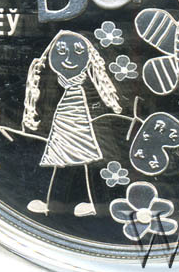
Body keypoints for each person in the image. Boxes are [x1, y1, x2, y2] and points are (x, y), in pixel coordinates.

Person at [22, 30, 122, 217]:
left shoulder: (91, 86)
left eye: (78, 51)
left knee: (89, 163)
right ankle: (53, 204)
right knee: (60, 162)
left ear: (89, 56)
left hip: (83, 129)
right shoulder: (50, 85)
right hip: (64, 128)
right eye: (61, 51)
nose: (69, 58)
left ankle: (95, 203)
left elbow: (106, 108)